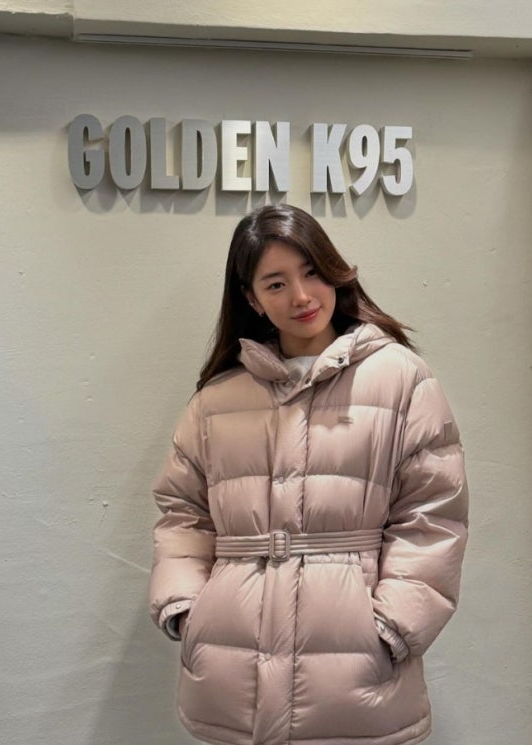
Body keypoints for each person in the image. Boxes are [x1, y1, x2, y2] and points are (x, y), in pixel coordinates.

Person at [148, 204, 469, 745]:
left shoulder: (400, 379)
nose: (301, 296)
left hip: (355, 677)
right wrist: (186, 610)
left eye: (312, 272)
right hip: (231, 671)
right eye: (276, 283)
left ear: (335, 272)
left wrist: (391, 629)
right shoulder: (217, 401)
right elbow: (184, 514)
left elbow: (433, 513)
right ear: (252, 298)